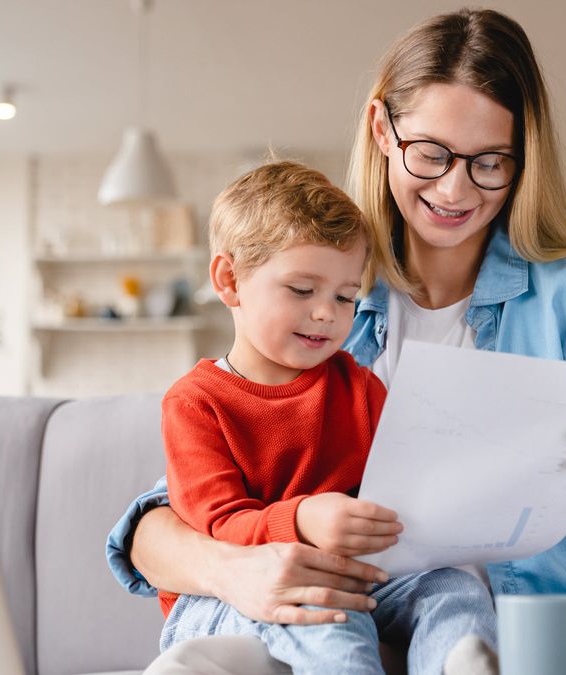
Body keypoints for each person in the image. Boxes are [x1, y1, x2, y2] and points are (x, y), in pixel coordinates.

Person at [108, 8, 566, 673]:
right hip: (366, 635)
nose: (455, 188)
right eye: (431, 153)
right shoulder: (326, 296)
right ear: (381, 129)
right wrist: (239, 571)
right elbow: (163, 525)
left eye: (490, 162)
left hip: (546, 650)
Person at [156, 160, 498, 674]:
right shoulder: (195, 402)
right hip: (227, 598)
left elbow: (402, 486)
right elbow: (218, 526)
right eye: (301, 290)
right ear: (229, 280)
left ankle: (458, 660)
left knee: (453, 588)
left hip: (352, 576)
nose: (327, 313)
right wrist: (302, 520)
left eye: (345, 297)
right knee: (328, 615)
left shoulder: (359, 385)